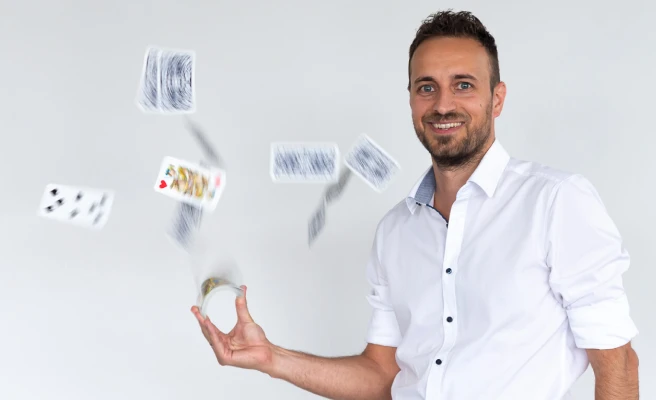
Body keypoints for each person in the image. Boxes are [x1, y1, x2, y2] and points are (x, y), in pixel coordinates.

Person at [191, 10, 640, 400]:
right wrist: (274, 358)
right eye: (427, 87)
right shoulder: (395, 232)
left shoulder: (556, 202)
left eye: (463, 85)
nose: (443, 104)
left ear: (497, 98)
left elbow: (617, 364)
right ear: (410, 100)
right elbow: (383, 374)